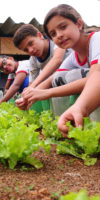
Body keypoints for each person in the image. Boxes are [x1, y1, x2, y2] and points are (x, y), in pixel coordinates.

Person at [38, 4, 100, 134]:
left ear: (78, 24)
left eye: (63, 27)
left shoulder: (97, 39)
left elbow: (96, 76)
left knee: (75, 76)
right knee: (59, 78)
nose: (59, 35)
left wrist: (48, 93)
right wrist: (32, 92)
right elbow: (53, 79)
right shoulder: (73, 56)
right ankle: (70, 129)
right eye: (53, 34)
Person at [13, 24, 70, 88]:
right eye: (26, 50)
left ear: (40, 36)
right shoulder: (33, 60)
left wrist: (33, 87)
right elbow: (32, 83)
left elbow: (57, 60)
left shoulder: (55, 40)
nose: (30, 50)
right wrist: (28, 91)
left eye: (31, 43)